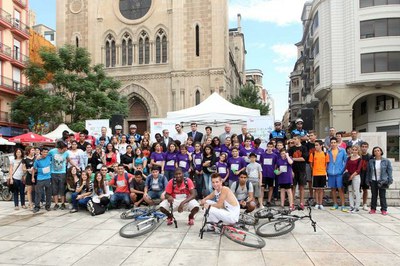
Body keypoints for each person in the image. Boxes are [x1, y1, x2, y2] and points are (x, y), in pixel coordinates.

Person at [49, 141, 79, 210]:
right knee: (54, 189)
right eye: (63, 149)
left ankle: (63, 203)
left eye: (65, 149)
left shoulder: (66, 152)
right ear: (59, 148)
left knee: (62, 188)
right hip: (53, 172)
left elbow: (70, 160)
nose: (64, 150)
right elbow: (46, 158)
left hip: (62, 172)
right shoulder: (52, 151)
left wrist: (76, 166)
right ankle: (56, 204)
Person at [367, 146, 392, 215]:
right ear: (373, 153)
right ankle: (373, 209)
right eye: (375, 151)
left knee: (382, 196)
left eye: (378, 150)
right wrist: (368, 180)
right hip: (373, 180)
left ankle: (384, 209)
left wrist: (390, 180)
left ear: (381, 152)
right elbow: (368, 172)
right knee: (374, 195)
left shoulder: (386, 161)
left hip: (382, 181)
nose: (377, 152)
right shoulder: (371, 161)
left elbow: (389, 171)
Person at [327, 137, 348, 212]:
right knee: (333, 189)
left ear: (337, 143)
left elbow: (346, 161)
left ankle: (343, 205)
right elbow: (326, 162)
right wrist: (327, 170)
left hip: (339, 173)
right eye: (331, 142)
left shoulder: (342, 151)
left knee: (340, 189)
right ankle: (335, 204)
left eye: (334, 142)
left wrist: (342, 170)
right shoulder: (328, 151)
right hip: (331, 173)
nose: (333, 144)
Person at [288, 135, 308, 209]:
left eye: (295, 139)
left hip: (302, 170)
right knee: (293, 187)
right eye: (293, 139)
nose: (294, 140)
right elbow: (289, 160)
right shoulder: (291, 149)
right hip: (293, 170)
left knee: (301, 187)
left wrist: (293, 159)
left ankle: (301, 203)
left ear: (299, 140)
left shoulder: (304, 148)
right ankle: (292, 203)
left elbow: (303, 158)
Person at [308, 140, 329, 210]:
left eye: (317, 145)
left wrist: (324, 170)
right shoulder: (313, 154)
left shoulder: (325, 154)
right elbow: (311, 164)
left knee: (322, 189)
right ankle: (317, 203)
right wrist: (314, 169)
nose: (316, 146)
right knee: (316, 189)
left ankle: (321, 203)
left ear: (321, 145)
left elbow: (326, 164)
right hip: (315, 173)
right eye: (315, 145)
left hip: (322, 173)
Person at [32, 148, 52, 213]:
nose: (45, 153)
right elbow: (34, 169)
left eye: (46, 152)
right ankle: (37, 206)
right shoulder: (37, 160)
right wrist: (32, 177)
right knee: (38, 193)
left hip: (48, 177)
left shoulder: (49, 157)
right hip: (40, 178)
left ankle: (48, 206)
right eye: (44, 152)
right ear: (41, 152)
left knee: (48, 193)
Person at [344, 145, 362, 213]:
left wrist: (352, 175)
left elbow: (358, 170)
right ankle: (351, 206)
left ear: (358, 150)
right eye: (353, 149)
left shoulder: (359, 159)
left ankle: (356, 207)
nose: (354, 151)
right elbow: (346, 166)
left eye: (355, 150)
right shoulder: (349, 158)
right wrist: (346, 172)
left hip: (356, 176)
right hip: (349, 176)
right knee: (350, 191)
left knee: (356, 192)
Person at [261, 142, 278, 206]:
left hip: (271, 174)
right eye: (268, 146)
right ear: (267, 147)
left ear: (273, 147)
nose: (270, 148)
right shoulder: (263, 155)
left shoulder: (275, 155)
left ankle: (268, 201)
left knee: (271, 188)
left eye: (271, 147)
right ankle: (261, 201)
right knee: (262, 188)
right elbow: (261, 163)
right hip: (264, 174)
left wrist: (275, 172)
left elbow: (276, 165)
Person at [305, 130, 317, 200]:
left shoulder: (318, 144)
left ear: (315, 136)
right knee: (309, 180)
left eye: (312, 135)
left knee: (315, 180)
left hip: (317, 164)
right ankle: (311, 195)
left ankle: (316, 196)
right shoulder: (306, 145)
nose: (311, 137)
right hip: (308, 164)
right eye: (309, 136)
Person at [360, 142, 372, 211]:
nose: (364, 148)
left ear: (367, 147)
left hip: (366, 175)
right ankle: (356, 204)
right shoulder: (358, 155)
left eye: (365, 146)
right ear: (361, 147)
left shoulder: (370, 156)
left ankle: (364, 204)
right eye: (363, 146)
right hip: (358, 174)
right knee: (356, 190)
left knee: (365, 190)